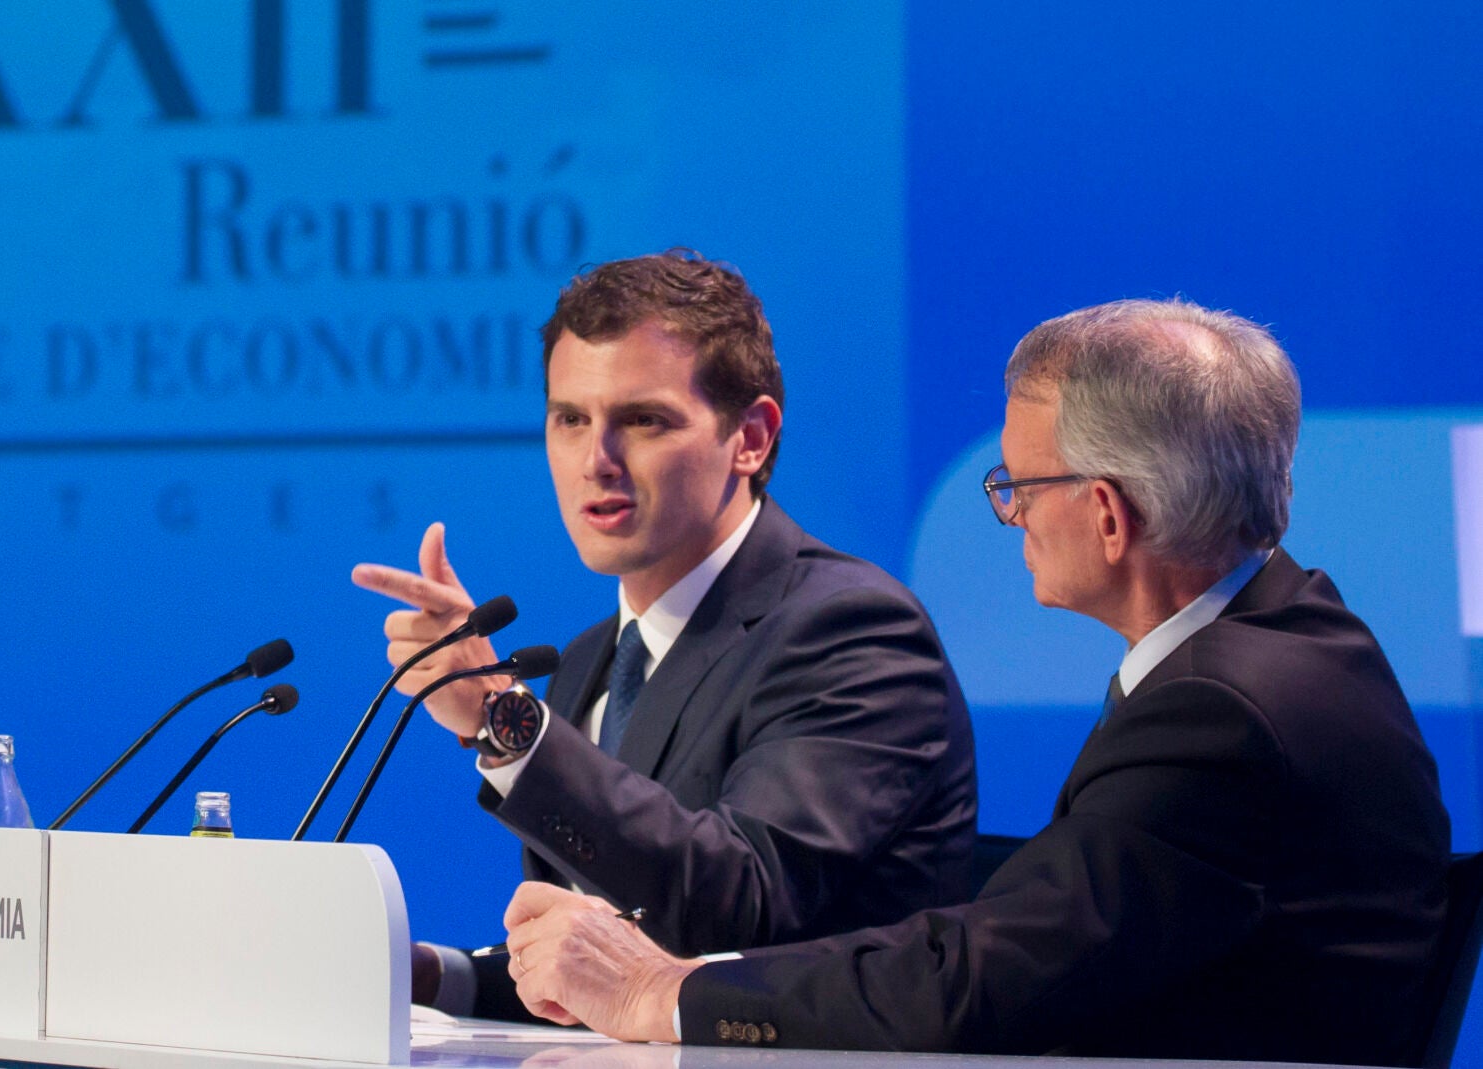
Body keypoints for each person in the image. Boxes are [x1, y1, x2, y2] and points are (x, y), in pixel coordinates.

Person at [500, 298, 1451, 1064]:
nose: (1012, 517)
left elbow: (985, 977)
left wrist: (663, 990)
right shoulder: (1290, 638)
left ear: (1108, 514)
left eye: (1021, 487)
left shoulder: (1227, 710)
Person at [352, 250, 976, 1018]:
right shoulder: (591, 658)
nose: (596, 460)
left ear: (750, 437)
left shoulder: (853, 631)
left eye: (642, 420)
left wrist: (504, 721)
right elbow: (602, 973)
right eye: (569, 419)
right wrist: (428, 978)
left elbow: (736, 912)